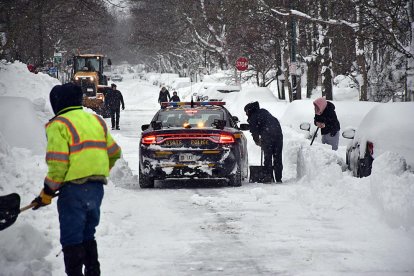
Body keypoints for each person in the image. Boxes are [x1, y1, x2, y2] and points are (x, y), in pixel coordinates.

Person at [31, 83, 122, 276]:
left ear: (57, 103)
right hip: (96, 189)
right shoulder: (95, 120)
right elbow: (114, 152)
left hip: (73, 191)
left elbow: (58, 163)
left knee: (71, 239)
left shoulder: (59, 124)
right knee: (88, 235)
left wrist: (47, 191)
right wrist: (98, 171)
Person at [244, 101, 283, 183]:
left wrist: (257, 141)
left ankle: (268, 177)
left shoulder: (253, 117)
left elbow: (254, 131)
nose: (246, 114)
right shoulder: (264, 111)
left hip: (268, 135)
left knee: (268, 157)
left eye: (246, 112)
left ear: (249, 110)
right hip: (278, 135)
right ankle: (278, 178)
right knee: (277, 157)